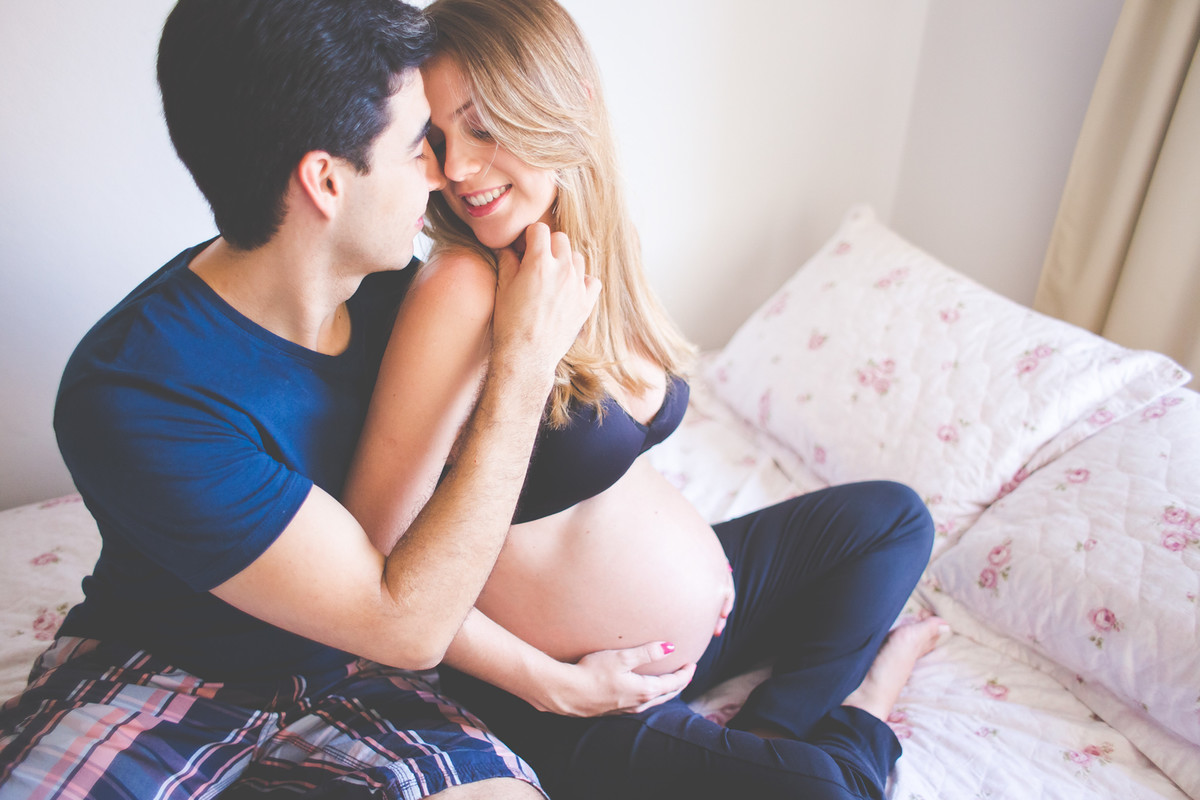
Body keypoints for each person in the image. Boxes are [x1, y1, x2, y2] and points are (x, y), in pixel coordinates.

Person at [345, 0, 944, 798]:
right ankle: (864, 712)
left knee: (893, 521)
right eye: (439, 139)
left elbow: (598, 460)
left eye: (482, 128)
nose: (455, 170)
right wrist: (553, 685)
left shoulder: (588, 259)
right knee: (824, 792)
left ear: (566, 103)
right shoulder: (460, 288)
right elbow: (374, 559)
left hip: (678, 641)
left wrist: (694, 564)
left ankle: (772, 729)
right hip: (568, 696)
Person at [0, 0, 599, 798]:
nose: (443, 173)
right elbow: (407, 625)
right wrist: (523, 371)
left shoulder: (413, 300)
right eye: (417, 145)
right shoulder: (135, 393)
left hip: (356, 678)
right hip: (163, 670)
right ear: (325, 181)